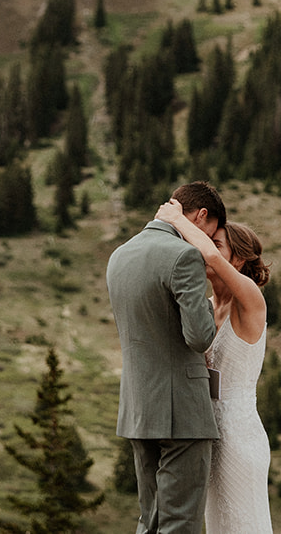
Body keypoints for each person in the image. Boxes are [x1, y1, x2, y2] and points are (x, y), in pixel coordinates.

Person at [107, 181, 227, 534]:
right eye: (212, 232)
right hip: (182, 414)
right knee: (180, 525)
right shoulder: (184, 256)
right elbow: (199, 337)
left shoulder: (120, 255)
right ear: (201, 216)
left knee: (151, 521)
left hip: (138, 409)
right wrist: (212, 309)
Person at [156, 198, 272, 534]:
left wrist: (176, 218)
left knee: (244, 524)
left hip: (239, 433)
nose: (204, 249)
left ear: (239, 259)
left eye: (216, 243)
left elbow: (205, 255)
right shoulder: (205, 307)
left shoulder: (250, 299)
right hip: (207, 432)